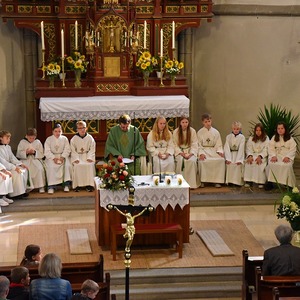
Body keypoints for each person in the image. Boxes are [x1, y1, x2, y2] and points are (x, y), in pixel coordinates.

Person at [0, 130, 32, 199]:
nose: (9, 140)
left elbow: (12, 158)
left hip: (9, 166)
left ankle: (22, 191)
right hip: (4, 168)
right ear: (1, 138)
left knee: (23, 170)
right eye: (7, 138)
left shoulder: (8, 147)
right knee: (17, 173)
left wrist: (20, 164)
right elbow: (3, 162)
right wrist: (14, 168)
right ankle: (14, 194)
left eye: (9, 138)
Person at [197, 113, 225, 188]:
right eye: (206, 122)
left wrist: (220, 151)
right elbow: (199, 145)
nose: (208, 123)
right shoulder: (199, 132)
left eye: (209, 121)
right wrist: (201, 154)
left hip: (213, 150)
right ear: (203, 122)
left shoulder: (216, 132)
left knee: (221, 160)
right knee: (202, 161)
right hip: (204, 150)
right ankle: (203, 180)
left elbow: (219, 144)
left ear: (211, 121)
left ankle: (216, 181)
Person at [267, 121, 296, 187]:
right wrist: (273, 156)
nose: (280, 130)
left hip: (286, 156)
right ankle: (270, 183)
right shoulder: (274, 137)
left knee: (287, 165)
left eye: (282, 128)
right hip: (276, 155)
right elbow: (270, 148)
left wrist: (288, 157)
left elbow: (293, 149)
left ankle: (287, 184)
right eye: (278, 128)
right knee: (272, 164)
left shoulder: (290, 138)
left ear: (285, 129)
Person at [44, 123, 72, 194]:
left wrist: (62, 157)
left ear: (61, 131)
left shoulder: (64, 139)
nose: (57, 133)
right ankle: (51, 186)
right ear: (53, 132)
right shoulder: (49, 139)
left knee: (67, 166)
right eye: (56, 131)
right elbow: (47, 151)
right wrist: (54, 158)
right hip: (52, 157)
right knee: (50, 167)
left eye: (59, 131)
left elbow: (67, 149)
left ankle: (66, 185)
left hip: (62, 156)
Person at [16, 128, 46, 194]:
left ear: (35, 136)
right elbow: (18, 153)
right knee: (26, 169)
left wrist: (35, 152)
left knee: (39, 168)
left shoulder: (38, 142)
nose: (32, 140)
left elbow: (42, 153)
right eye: (30, 138)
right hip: (25, 160)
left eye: (33, 138)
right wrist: (26, 152)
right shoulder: (22, 142)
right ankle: (27, 187)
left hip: (35, 159)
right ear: (26, 136)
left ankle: (40, 186)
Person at [173, 117, 199, 188]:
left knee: (192, 161)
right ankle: (180, 183)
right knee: (180, 161)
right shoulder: (176, 132)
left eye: (186, 122)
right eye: (183, 122)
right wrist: (181, 153)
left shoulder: (192, 131)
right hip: (180, 152)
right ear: (180, 123)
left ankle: (192, 184)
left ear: (188, 123)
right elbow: (174, 145)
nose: (185, 124)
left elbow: (195, 143)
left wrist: (191, 154)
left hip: (190, 151)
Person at [70, 121, 96, 192]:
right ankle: (77, 185)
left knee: (89, 165)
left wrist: (90, 158)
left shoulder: (90, 138)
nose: (82, 130)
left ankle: (89, 185)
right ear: (77, 129)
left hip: (87, 156)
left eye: (83, 128)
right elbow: (73, 150)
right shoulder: (74, 139)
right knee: (77, 166)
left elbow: (92, 149)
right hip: (78, 156)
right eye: (80, 128)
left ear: (86, 128)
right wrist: (75, 158)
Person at [244, 123, 269, 188]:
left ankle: (260, 182)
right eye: (257, 130)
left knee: (259, 163)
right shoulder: (251, 138)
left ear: (262, 131)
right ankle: (248, 181)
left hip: (262, 156)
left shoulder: (266, 138)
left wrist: (260, 156)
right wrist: (250, 156)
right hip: (253, 154)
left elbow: (266, 149)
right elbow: (248, 148)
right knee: (249, 162)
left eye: (260, 130)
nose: (258, 132)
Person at [224, 121, 245, 186]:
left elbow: (241, 149)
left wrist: (239, 160)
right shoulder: (228, 137)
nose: (236, 130)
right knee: (230, 164)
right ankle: (230, 181)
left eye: (237, 129)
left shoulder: (242, 137)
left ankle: (237, 182)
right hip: (230, 154)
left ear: (240, 129)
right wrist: (228, 159)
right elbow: (226, 148)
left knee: (237, 165)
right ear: (232, 129)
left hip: (238, 154)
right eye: (234, 129)